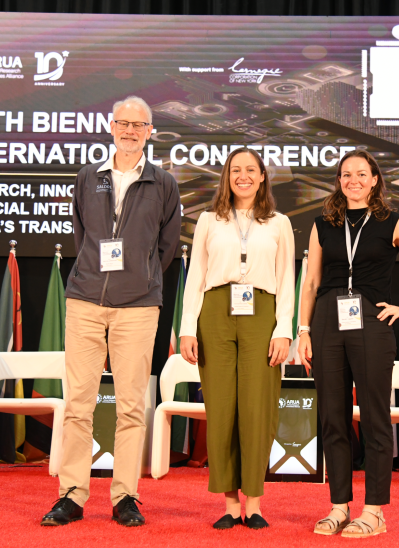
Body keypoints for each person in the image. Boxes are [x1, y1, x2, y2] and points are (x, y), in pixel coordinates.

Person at [41, 96, 182, 527]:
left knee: (131, 406)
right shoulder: (88, 177)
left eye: (138, 125)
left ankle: (125, 497)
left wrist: (140, 277)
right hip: (85, 301)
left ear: (150, 132)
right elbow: (82, 234)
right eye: (123, 123)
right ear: (111, 126)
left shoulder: (164, 183)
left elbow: (167, 245)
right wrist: (96, 274)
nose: (130, 131)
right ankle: (72, 495)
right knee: (78, 404)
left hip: (137, 307)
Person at [297, 150, 399, 538]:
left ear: (375, 179)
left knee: (375, 417)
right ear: (339, 181)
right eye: (346, 174)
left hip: (372, 323)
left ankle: (374, 511)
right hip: (326, 322)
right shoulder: (323, 224)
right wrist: (303, 329)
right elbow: (311, 283)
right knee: (333, 417)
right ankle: (339, 507)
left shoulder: (393, 222)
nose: (354, 180)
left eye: (362, 174)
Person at [179, 148, 295, 530]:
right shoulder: (208, 220)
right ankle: (230, 504)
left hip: (262, 314)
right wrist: (187, 327)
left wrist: (283, 329)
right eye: (235, 170)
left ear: (262, 177)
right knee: (222, 408)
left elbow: (286, 280)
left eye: (250, 170)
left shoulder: (279, 223)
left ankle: (255, 503)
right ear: (226, 177)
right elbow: (196, 275)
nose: (242, 176)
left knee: (257, 408)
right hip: (215, 312)